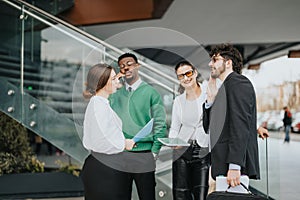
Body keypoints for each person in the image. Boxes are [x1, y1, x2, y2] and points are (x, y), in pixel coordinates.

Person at [110, 53, 167, 200]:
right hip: (120, 154)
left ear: (137, 66)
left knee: (147, 196)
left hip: (144, 155)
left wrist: (154, 152)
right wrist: (114, 80)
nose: (126, 67)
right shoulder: (114, 95)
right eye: (122, 66)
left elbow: (160, 123)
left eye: (129, 63)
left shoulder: (151, 92)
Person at [203, 43, 260, 188]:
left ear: (228, 63)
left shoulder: (238, 83)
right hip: (224, 165)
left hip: (233, 168)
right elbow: (209, 128)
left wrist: (235, 166)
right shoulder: (225, 87)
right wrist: (210, 101)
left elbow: (240, 126)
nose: (210, 64)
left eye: (215, 60)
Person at [81, 63, 135, 200]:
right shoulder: (98, 105)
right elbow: (102, 140)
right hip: (105, 170)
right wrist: (124, 144)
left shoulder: (100, 103)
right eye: (113, 79)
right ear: (102, 82)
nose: (117, 81)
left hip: (106, 167)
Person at [169, 61, 210, 200]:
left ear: (195, 73)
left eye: (188, 73)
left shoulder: (208, 94)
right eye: (181, 76)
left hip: (202, 150)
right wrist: (173, 141)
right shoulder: (179, 101)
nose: (185, 78)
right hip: (182, 152)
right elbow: (175, 127)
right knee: (181, 195)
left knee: (201, 195)